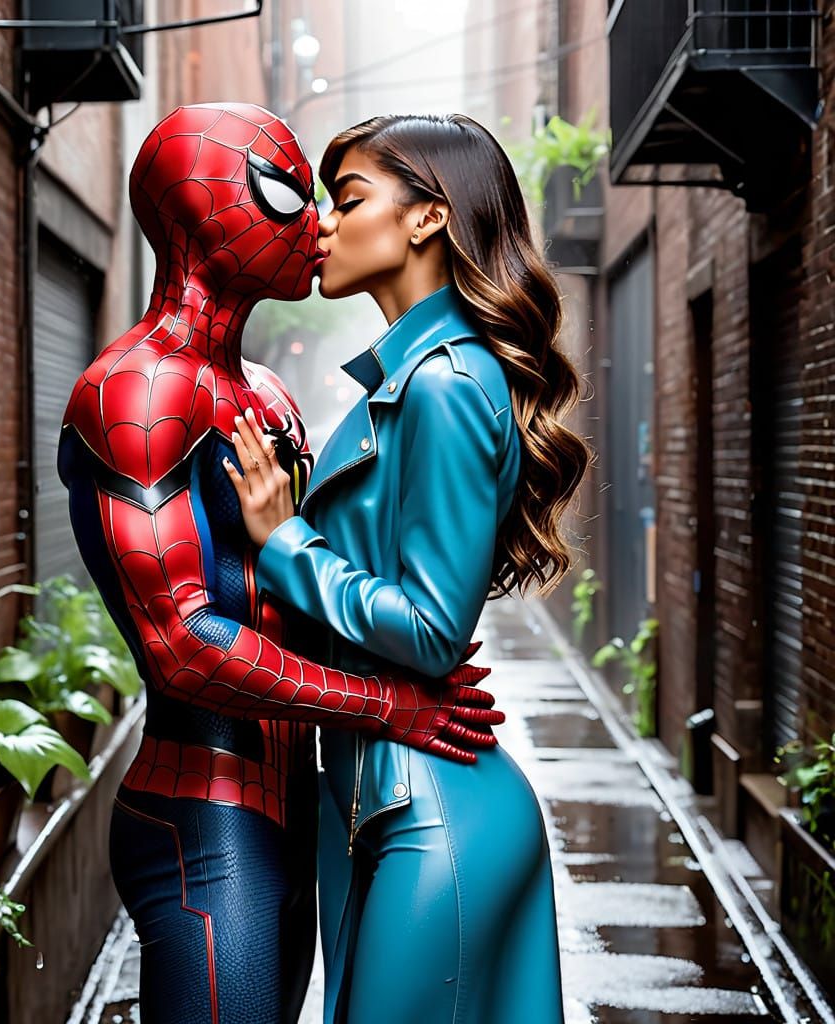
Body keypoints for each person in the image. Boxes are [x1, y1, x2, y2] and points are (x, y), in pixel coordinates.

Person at [56, 102, 504, 1024]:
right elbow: (182, 643)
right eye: (286, 191)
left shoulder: (266, 394)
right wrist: (391, 701)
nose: (316, 220)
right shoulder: (137, 389)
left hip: (307, 812)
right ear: (198, 208)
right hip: (204, 808)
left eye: (328, 195)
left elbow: (306, 588)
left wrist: (408, 644)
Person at [224, 113, 589, 1023]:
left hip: (431, 818)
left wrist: (284, 540)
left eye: (347, 201)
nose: (321, 224)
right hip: (380, 806)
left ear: (427, 218)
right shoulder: (408, 381)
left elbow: (430, 630)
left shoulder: (444, 384)